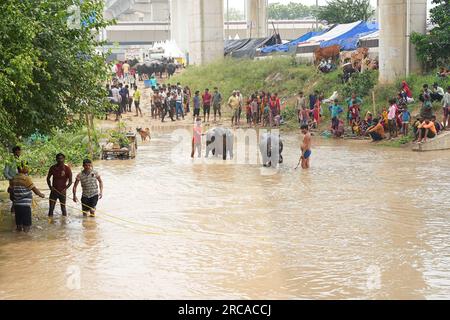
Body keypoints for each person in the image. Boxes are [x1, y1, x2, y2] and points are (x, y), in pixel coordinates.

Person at [12, 161, 45, 232]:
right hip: (25, 206)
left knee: (19, 226)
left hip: (17, 205)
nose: (28, 168)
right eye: (26, 167)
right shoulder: (26, 178)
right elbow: (35, 190)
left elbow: (10, 190)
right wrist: (41, 195)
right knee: (27, 228)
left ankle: (18, 239)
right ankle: (26, 241)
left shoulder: (14, 178)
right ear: (22, 168)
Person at [4, 146, 22, 213]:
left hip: (20, 182)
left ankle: (14, 219)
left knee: (17, 201)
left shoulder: (20, 160)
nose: (19, 152)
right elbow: (5, 172)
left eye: (19, 151)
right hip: (13, 183)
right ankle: (13, 217)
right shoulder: (9, 161)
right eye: (17, 151)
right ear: (14, 152)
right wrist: (11, 179)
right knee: (15, 201)